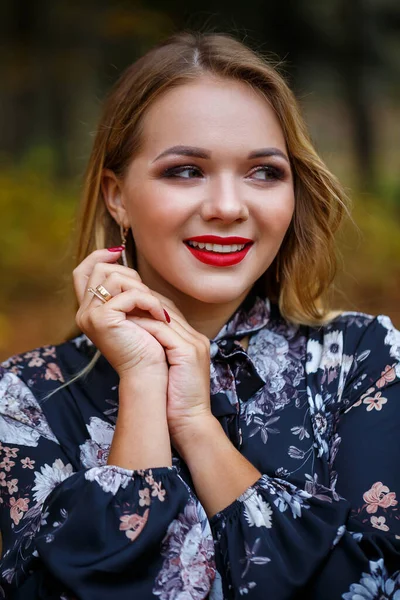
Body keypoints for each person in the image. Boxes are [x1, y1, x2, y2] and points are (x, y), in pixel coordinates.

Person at [0, 31, 399, 600]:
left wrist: (196, 426)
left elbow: (375, 583)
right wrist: (142, 380)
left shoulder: (362, 360)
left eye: (263, 172)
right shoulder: (22, 399)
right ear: (117, 197)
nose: (228, 207)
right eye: (186, 170)